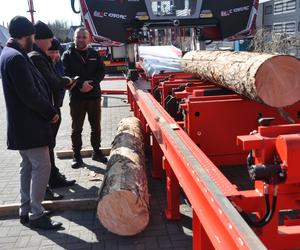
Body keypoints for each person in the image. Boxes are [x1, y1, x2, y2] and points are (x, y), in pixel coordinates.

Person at [0, 16, 62, 230]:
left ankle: (25, 210)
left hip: (23, 127)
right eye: (33, 37)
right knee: (41, 167)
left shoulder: (10, 54)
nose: (34, 41)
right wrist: (50, 112)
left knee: (27, 167)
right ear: (25, 37)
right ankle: (36, 214)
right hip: (31, 125)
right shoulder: (16, 58)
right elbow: (30, 94)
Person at [28, 22, 76, 199]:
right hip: (46, 112)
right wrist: (66, 81)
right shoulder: (36, 57)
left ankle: (53, 178)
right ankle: (44, 189)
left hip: (52, 109)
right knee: (43, 153)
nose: (51, 45)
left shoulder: (42, 57)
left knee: (49, 147)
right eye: (49, 41)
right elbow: (51, 82)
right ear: (39, 40)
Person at [62, 27, 107, 168]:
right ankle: (76, 156)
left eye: (83, 37)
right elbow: (65, 74)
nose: (80, 39)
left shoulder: (94, 53)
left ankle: (97, 152)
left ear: (89, 39)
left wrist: (91, 84)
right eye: (78, 37)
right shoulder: (67, 55)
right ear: (74, 38)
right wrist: (80, 84)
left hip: (94, 96)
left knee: (96, 127)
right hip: (77, 97)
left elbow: (101, 71)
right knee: (77, 128)